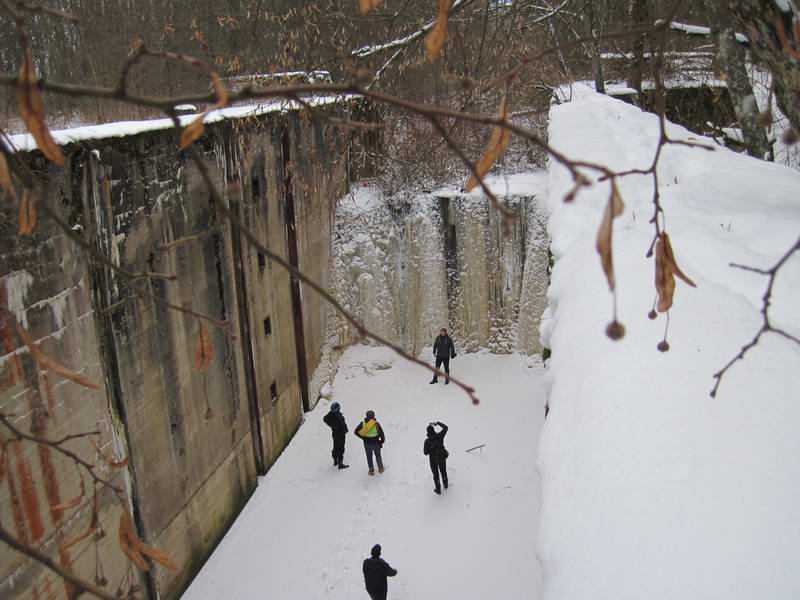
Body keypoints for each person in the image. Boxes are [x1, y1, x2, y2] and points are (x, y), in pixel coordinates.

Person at [354, 410, 386, 475]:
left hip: (366, 444)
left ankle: (371, 470)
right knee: (378, 456)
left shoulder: (362, 424)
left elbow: (356, 432)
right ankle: (380, 468)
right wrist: (382, 441)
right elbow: (381, 434)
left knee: (369, 456)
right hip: (376, 443)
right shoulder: (376, 424)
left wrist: (363, 437)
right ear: (373, 416)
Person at [423, 421, 449, 494]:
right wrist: (437, 423)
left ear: (427, 432)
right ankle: (446, 484)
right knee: (443, 471)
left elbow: (425, 453)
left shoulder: (427, 441)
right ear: (434, 430)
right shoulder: (439, 436)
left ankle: (438, 489)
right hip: (441, 458)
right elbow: (446, 428)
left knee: (436, 475)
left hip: (433, 461)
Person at [322, 402, 349, 469]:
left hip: (334, 434)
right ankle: (340, 464)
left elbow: (325, 418)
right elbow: (342, 425)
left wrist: (331, 425)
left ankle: (335, 460)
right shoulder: (338, 416)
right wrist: (345, 430)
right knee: (341, 448)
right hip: (340, 434)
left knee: (335, 446)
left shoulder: (330, 415)